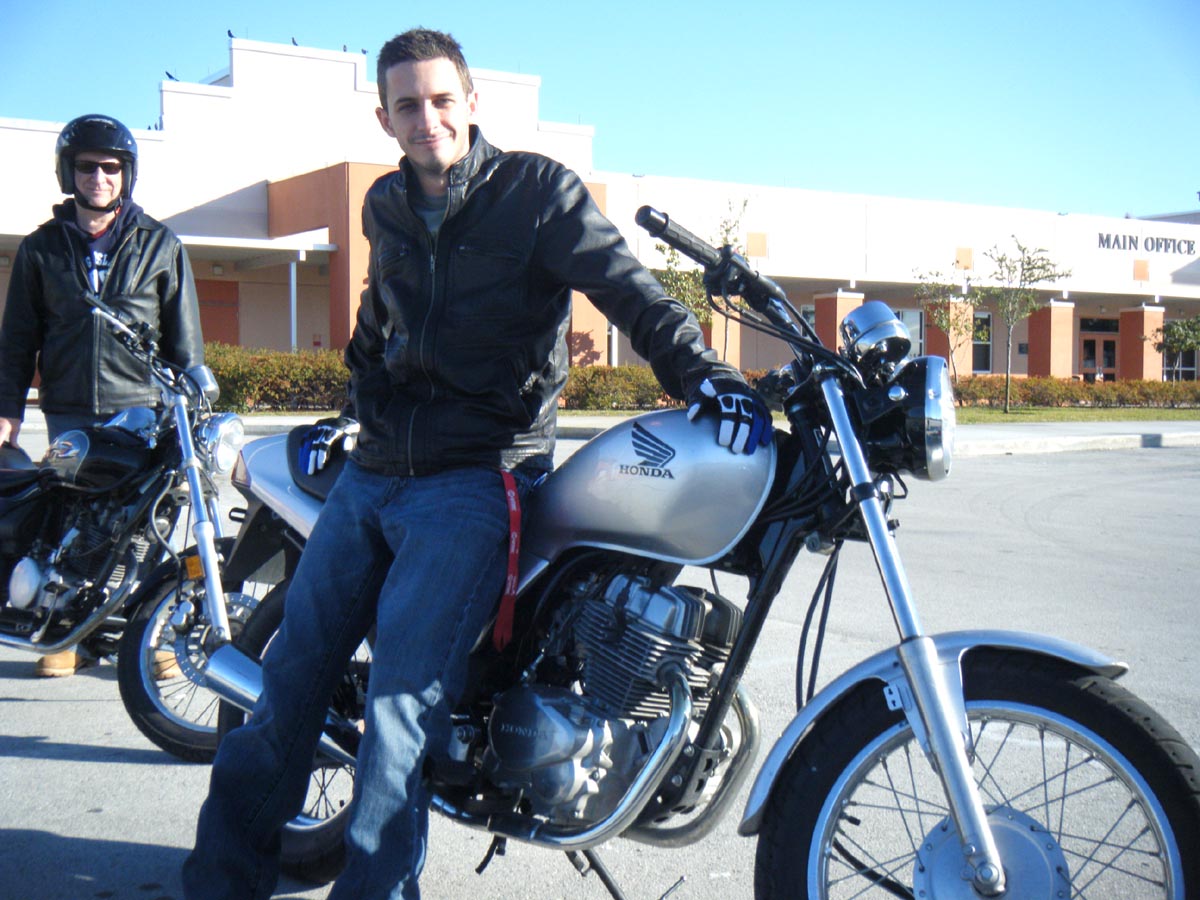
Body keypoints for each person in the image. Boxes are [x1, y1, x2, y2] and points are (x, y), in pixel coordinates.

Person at [183, 27, 770, 900]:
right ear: (385, 119)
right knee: (289, 685)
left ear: (471, 103)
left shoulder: (536, 193)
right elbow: (378, 324)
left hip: (476, 476)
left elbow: (626, 287)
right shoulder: (385, 203)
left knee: (399, 711)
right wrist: (348, 412)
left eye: (441, 100)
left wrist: (703, 373)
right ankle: (219, 884)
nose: (428, 119)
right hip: (376, 470)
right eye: (408, 105)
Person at [0, 114, 205, 677]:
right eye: (87, 166)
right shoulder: (41, 249)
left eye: (111, 167)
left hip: (140, 406)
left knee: (145, 527)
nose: (99, 177)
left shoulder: (160, 244)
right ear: (68, 172)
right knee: (70, 527)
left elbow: (184, 341)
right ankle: (64, 633)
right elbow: (17, 340)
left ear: (126, 174)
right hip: (69, 405)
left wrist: (192, 402)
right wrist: (6, 411)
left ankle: (151, 638)